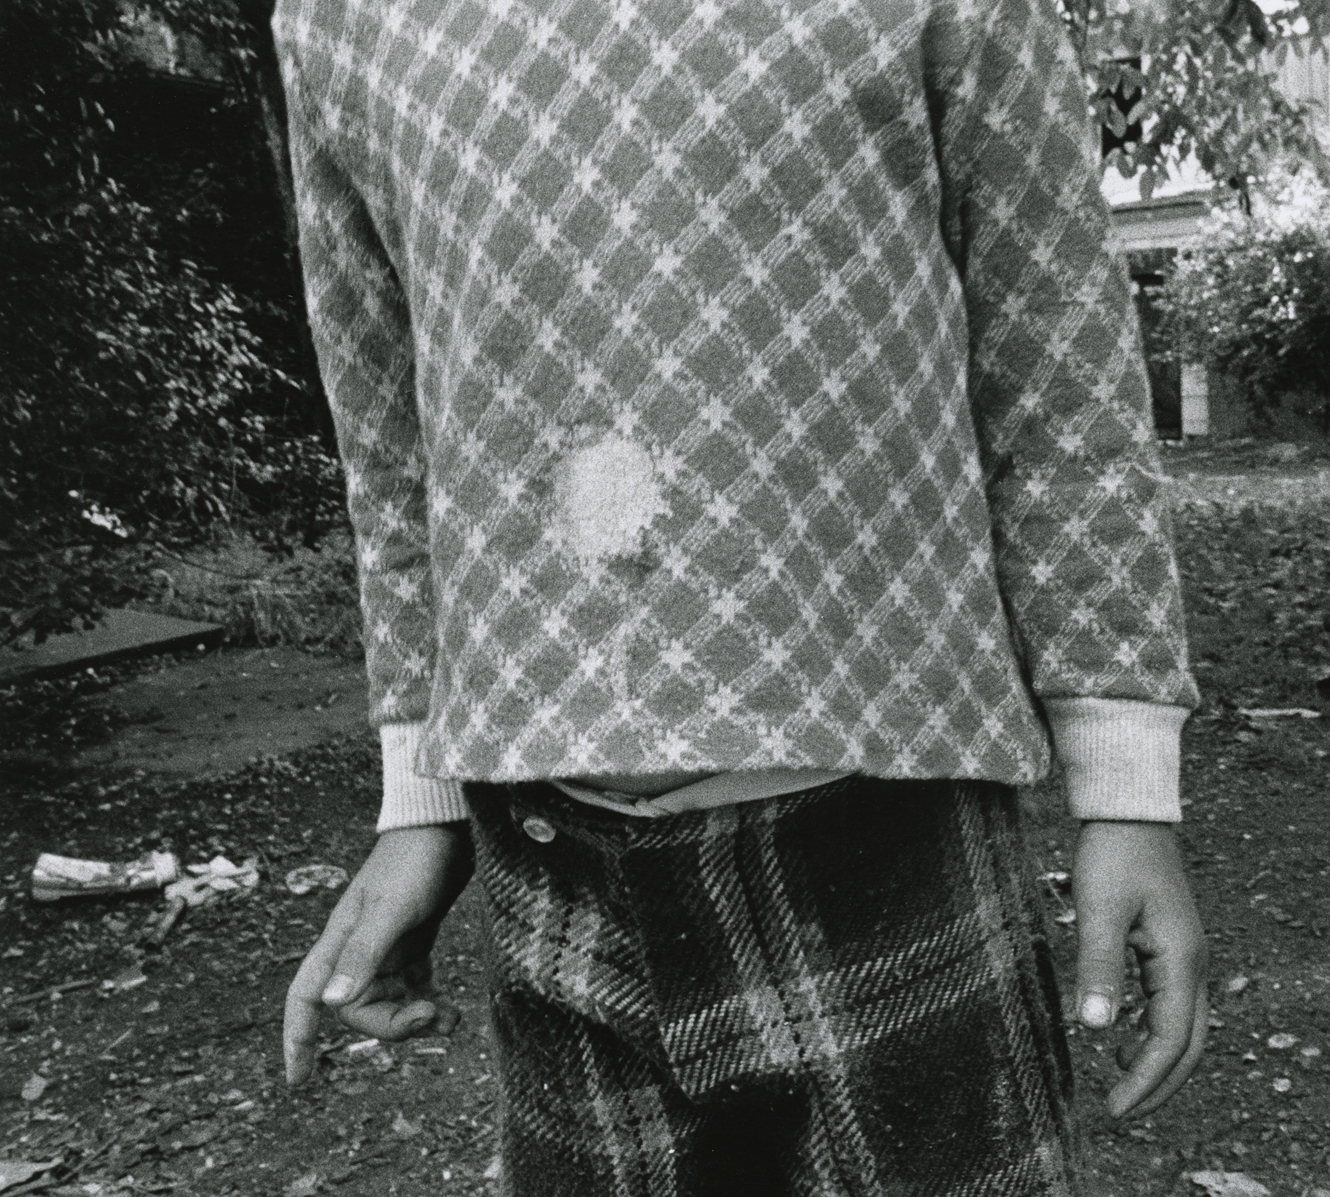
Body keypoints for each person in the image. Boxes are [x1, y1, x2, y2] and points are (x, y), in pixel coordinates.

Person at [273, 0, 1207, 1189]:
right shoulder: (336, 21)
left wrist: (1126, 784)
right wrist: (421, 796)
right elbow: (391, 439)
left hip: (893, 830)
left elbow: (1059, 367)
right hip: (553, 860)